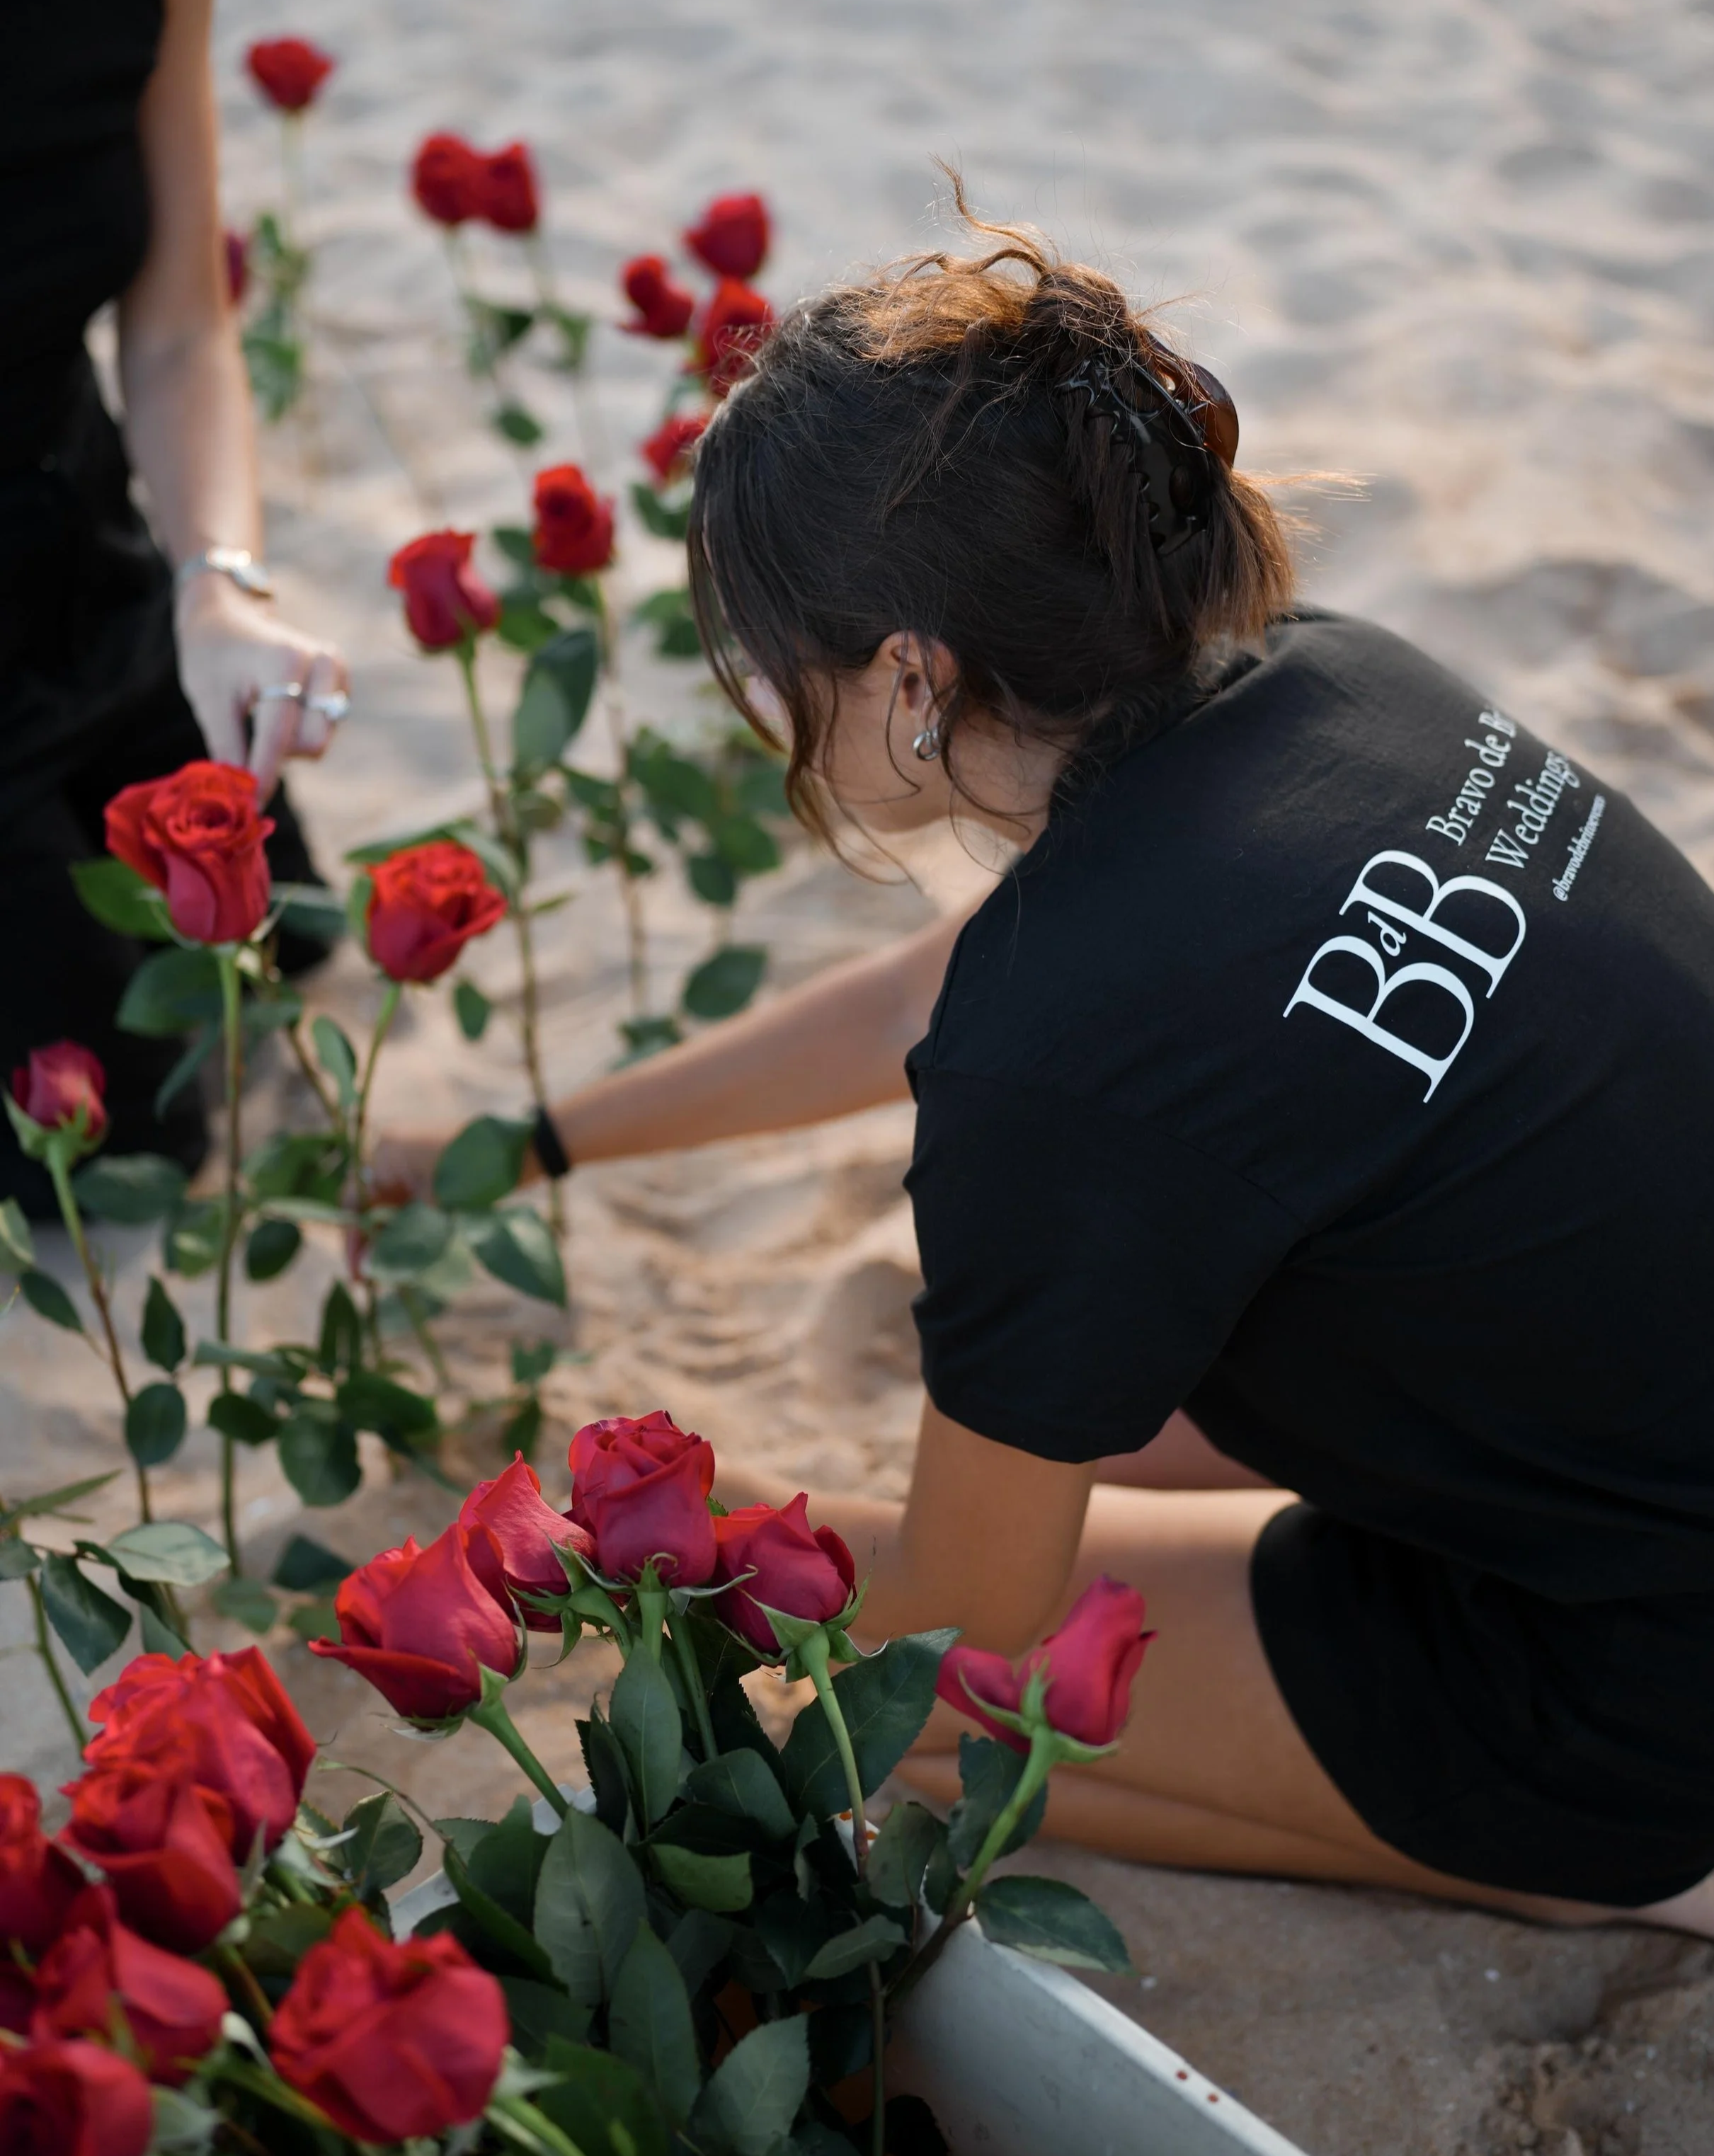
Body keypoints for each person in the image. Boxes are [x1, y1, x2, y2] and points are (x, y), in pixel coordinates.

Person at [381, 212, 1714, 1939]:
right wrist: (533, 1143)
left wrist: (604, 1546)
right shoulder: (1342, 683)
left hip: (1636, 1685)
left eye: (775, 666)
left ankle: (1617, 1854)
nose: (766, 706)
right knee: (1132, 1380)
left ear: (913, 678)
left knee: (896, 1697)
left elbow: (969, 1607)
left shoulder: (1058, 1053)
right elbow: (929, 1005)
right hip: (1643, 1438)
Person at [1, 0, 347, 1215]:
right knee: (122, 1155)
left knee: (291, 933)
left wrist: (218, 582)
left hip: (79, 531)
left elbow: (181, 329)